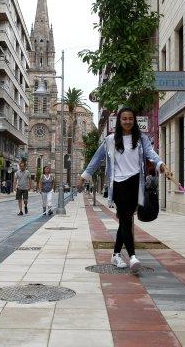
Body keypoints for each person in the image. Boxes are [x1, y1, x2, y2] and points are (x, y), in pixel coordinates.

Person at [77, 107, 172, 272]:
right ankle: (133, 256)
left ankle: (115, 254)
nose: (127, 121)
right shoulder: (110, 140)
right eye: (124, 119)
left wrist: (161, 165)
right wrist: (84, 176)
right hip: (118, 183)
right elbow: (96, 159)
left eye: (130, 119)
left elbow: (151, 153)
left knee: (125, 220)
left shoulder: (141, 138)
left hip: (136, 182)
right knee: (126, 217)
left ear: (134, 121)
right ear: (119, 122)